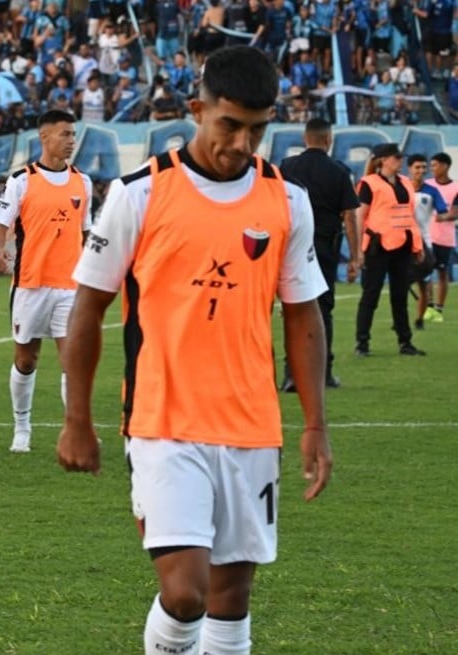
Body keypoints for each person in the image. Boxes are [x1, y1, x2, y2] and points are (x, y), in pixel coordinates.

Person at [58, 46, 333, 655]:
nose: (241, 143)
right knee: (186, 592)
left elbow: (303, 314)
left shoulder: (287, 201)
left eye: (256, 130)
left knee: (231, 596)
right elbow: (88, 309)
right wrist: (77, 419)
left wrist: (315, 422)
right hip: (162, 420)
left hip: (252, 424)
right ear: (197, 109)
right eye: (229, 124)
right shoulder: (140, 194)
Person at [0, 109, 93, 454]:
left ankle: (77, 428)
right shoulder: (22, 180)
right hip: (31, 285)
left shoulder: (83, 182)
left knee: (72, 361)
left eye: (73, 134)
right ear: (44, 137)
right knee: (26, 360)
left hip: (70, 286)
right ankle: (22, 428)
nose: (71, 141)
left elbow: (87, 232)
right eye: (65, 134)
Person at [277, 118, 360, 390]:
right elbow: (349, 217)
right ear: (328, 139)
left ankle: (291, 374)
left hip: (291, 248)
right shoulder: (339, 171)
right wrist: (355, 257)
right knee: (322, 310)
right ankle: (323, 373)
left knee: (292, 308)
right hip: (324, 248)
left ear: (305, 138)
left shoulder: (287, 167)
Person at [354, 142, 427, 357]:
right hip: (378, 246)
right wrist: (358, 250)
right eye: (396, 157)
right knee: (371, 295)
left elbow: (410, 216)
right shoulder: (369, 183)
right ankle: (362, 343)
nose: (400, 160)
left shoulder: (405, 182)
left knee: (400, 295)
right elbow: (360, 216)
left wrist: (417, 245)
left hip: (403, 245)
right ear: (383, 160)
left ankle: (405, 342)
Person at [407, 154, 446, 331]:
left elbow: (442, 211)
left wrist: (449, 215)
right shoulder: (402, 188)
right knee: (401, 284)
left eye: (424, 167)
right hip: (402, 242)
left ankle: (419, 319)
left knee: (423, 283)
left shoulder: (432, 191)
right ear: (409, 168)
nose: (421, 170)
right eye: (417, 167)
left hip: (424, 242)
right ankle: (400, 320)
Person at [423, 152, 458, 323]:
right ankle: (428, 306)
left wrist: (444, 217)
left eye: (435, 165)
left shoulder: (456, 188)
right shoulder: (427, 185)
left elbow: (455, 213)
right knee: (425, 273)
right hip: (426, 237)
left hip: (445, 238)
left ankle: (439, 309)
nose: (432, 169)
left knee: (442, 273)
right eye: (431, 165)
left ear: (445, 166)